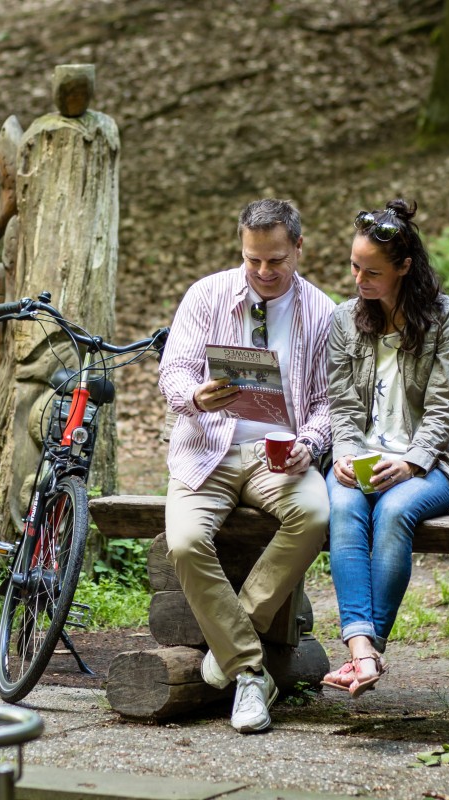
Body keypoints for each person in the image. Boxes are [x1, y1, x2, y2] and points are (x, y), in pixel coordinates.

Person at [158, 198, 335, 733]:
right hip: (205, 448)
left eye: (275, 260)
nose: (263, 271)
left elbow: (329, 402)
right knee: (184, 541)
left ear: (299, 248)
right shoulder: (206, 294)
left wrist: (311, 442)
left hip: (276, 455)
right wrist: (196, 396)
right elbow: (173, 372)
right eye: (252, 259)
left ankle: (231, 645)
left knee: (315, 514)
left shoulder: (323, 313)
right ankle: (251, 672)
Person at [322, 199, 449, 697]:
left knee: (393, 511)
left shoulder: (447, 317)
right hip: (361, 456)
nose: (359, 280)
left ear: (404, 267)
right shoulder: (345, 319)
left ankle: (368, 647)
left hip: (431, 463)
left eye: (372, 272)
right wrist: (345, 454)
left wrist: (410, 463)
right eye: (354, 267)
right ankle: (362, 651)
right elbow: (342, 404)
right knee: (344, 508)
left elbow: (445, 406)